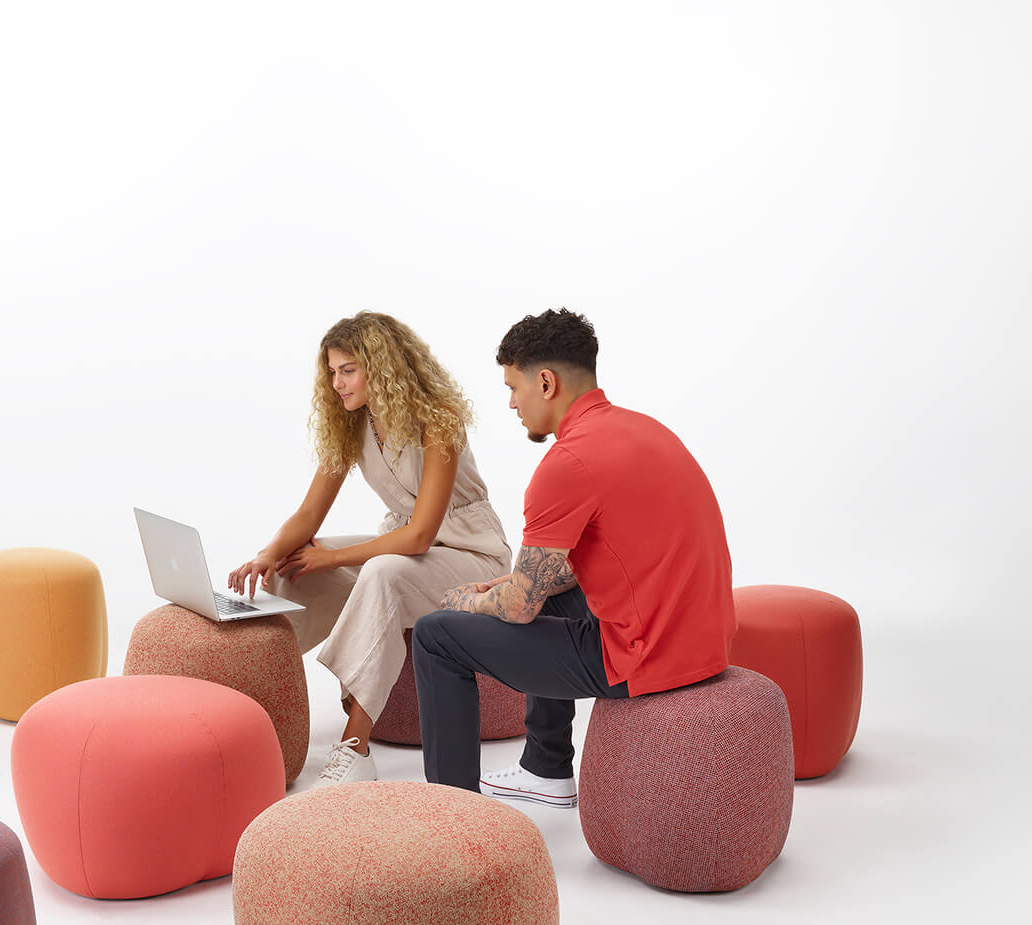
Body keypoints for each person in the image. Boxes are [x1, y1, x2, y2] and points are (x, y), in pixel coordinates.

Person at [410, 308, 735, 804]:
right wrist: (514, 585)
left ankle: (453, 813)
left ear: (545, 383)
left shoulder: (567, 463)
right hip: (703, 641)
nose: (512, 403)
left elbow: (519, 607)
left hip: (646, 659)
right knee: (548, 594)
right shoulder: (646, 430)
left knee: (436, 635)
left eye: (513, 388)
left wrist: (466, 601)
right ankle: (546, 769)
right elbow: (602, 562)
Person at [228, 311, 512, 786]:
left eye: (348, 370)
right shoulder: (352, 424)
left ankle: (355, 747)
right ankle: (262, 703)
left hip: (470, 552)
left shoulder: (438, 420)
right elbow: (308, 515)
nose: (337, 383)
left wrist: (333, 557)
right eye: (332, 372)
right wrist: (267, 554)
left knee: (379, 572)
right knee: (292, 566)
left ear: (381, 368)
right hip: (405, 548)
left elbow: (421, 535)